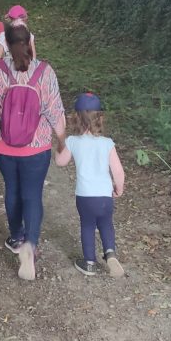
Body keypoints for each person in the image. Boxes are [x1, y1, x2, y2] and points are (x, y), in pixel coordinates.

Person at [0, 25, 65, 281]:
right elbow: (55, 111)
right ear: (29, 43)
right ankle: (31, 245)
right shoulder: (44, 72)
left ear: (7, 42)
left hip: (4, 146)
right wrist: (61, 141)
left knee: (12, 190)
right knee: (32, 194)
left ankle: (16, 237)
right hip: (36, 148)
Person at [55, 92, 125, 277]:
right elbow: (117, 171)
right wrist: (119, 187)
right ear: (100, 118)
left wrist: (60, 141)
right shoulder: (107, 143)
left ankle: (90, 263)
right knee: (106, 223)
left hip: (85, 196)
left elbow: (60, 162)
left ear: (76, 118)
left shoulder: (72, 141)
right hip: (105, 195)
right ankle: (110, 253)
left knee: (87, 225)